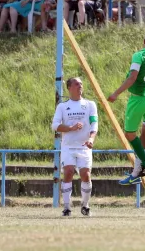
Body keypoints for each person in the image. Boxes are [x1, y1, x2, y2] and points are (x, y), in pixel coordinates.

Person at [108, 32, 145, 182]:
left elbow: (132, 77)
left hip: (138, 99)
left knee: (130, 134)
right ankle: (140, 168)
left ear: (144, 41)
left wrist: (115, 93)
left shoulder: (138, 56)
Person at [51, 77, 98, 217]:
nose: (80, 86)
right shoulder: (62, 106)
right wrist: (70, 128)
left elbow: (94, 123)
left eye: (81, 84)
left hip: (84, 147)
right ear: (69, 88)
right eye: (77, 84)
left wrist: (91, 138)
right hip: (68, 147)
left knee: (86, 174)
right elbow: (54, 125)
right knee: (69, 172)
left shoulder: (90, 105)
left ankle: (85, 205)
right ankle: (66, 207)